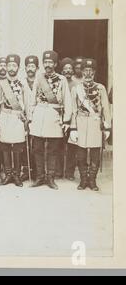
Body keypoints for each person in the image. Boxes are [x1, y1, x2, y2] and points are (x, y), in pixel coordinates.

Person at [29, 50, 72, 190]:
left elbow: (67, 100)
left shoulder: (62, 79)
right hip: (39, 115)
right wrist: (30, 117)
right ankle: (40, 177)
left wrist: (66, 120)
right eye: (45, 62)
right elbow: (32, 99)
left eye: (50, 62)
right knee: (38, 149)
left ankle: (50, 178)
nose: (47, 65)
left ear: (55, 63)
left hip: (54, 116)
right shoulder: (38, 78)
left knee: (53, 150)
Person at [69, 59, 111, 191]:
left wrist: (107, 126)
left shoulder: (100, 88)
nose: (88, 74)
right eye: (85, 71)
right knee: (80, 154)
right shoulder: (77, 89)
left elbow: (106, 108)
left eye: (91, 71)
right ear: (81, 72)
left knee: (94, 153)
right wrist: (73, 128)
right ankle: (83, 179)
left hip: (95, 123)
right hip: (80, 123)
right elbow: (73, 110)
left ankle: (92, 180)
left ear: (94, 72)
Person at [0, 54, 31, 187]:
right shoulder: (1, 84)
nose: (11, 68)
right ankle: (8, 173)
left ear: (18, 67)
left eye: (14, 65)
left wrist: (28, 119)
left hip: (18, 118)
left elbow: (27, 103)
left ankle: (16, 174)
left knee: (17, 147)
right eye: (9, 65)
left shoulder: (23, 84)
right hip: (5, 116)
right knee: (5, 146)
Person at [20, 55, 39, 181]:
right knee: (24, 145)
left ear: (37, 68)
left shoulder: (41, 81)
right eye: (28, 66)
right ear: (25, 68)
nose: (30, 69)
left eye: (33, 66)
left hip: (38, 119)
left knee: (36, 146)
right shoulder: (20, 83)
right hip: (24, 117)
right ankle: (26, 170)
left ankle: (37, 171)